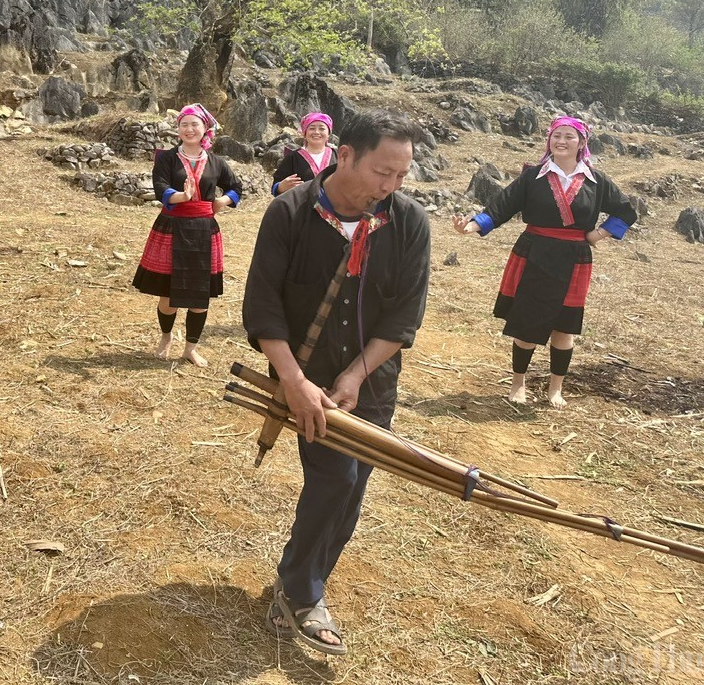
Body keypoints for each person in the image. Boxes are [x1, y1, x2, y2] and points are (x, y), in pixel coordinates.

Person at [242, 109, 430, 656]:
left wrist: (356, 372)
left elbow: (403, 318)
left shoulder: (409, 222)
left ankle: (298, 580)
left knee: (352, 491)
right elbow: (263, 308)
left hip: (370, 382)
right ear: (345, 155)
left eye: (401, 175)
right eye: (382, 172)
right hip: (306, 379)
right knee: (337, 480)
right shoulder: (291, 213)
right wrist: (296, 383)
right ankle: (303, 595)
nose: (391, 186)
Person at [453, 115, 637, 408]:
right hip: (534, 253)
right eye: (556, 136)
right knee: (526, 323)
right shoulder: (533, 176)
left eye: (569, 137)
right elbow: (501, 207)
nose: (561, 141)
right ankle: (518, 384)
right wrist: (470, 227)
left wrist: (596, 235)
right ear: (549, 140)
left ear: (582, 143)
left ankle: (555, 389)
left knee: (564, 329)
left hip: (574, 258)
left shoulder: (597, 181)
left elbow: (627, 211)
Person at [132, 104, 243, 367]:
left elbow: (236, 187)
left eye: (195, 124)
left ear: (205, 129)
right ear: (178, 130)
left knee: (199, 294)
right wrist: (181, 196)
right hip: (173, 226)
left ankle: (190, 348)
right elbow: (160, 187)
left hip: (205, 230)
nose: (189, 129)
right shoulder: (167, 159)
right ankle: (166, 337)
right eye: (184, 124)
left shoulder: (217, 162)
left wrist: (222, 201)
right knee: (168, 294)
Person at [272, 112, 335, 196]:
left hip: (335, 207)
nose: (316, 132)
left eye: (321, 128)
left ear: (328, 134)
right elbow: (275, 187)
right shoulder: (292, 158)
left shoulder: (339, 156)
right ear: (304, 133)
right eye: (312, 128)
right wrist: (280, 187)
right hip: (302, 208)